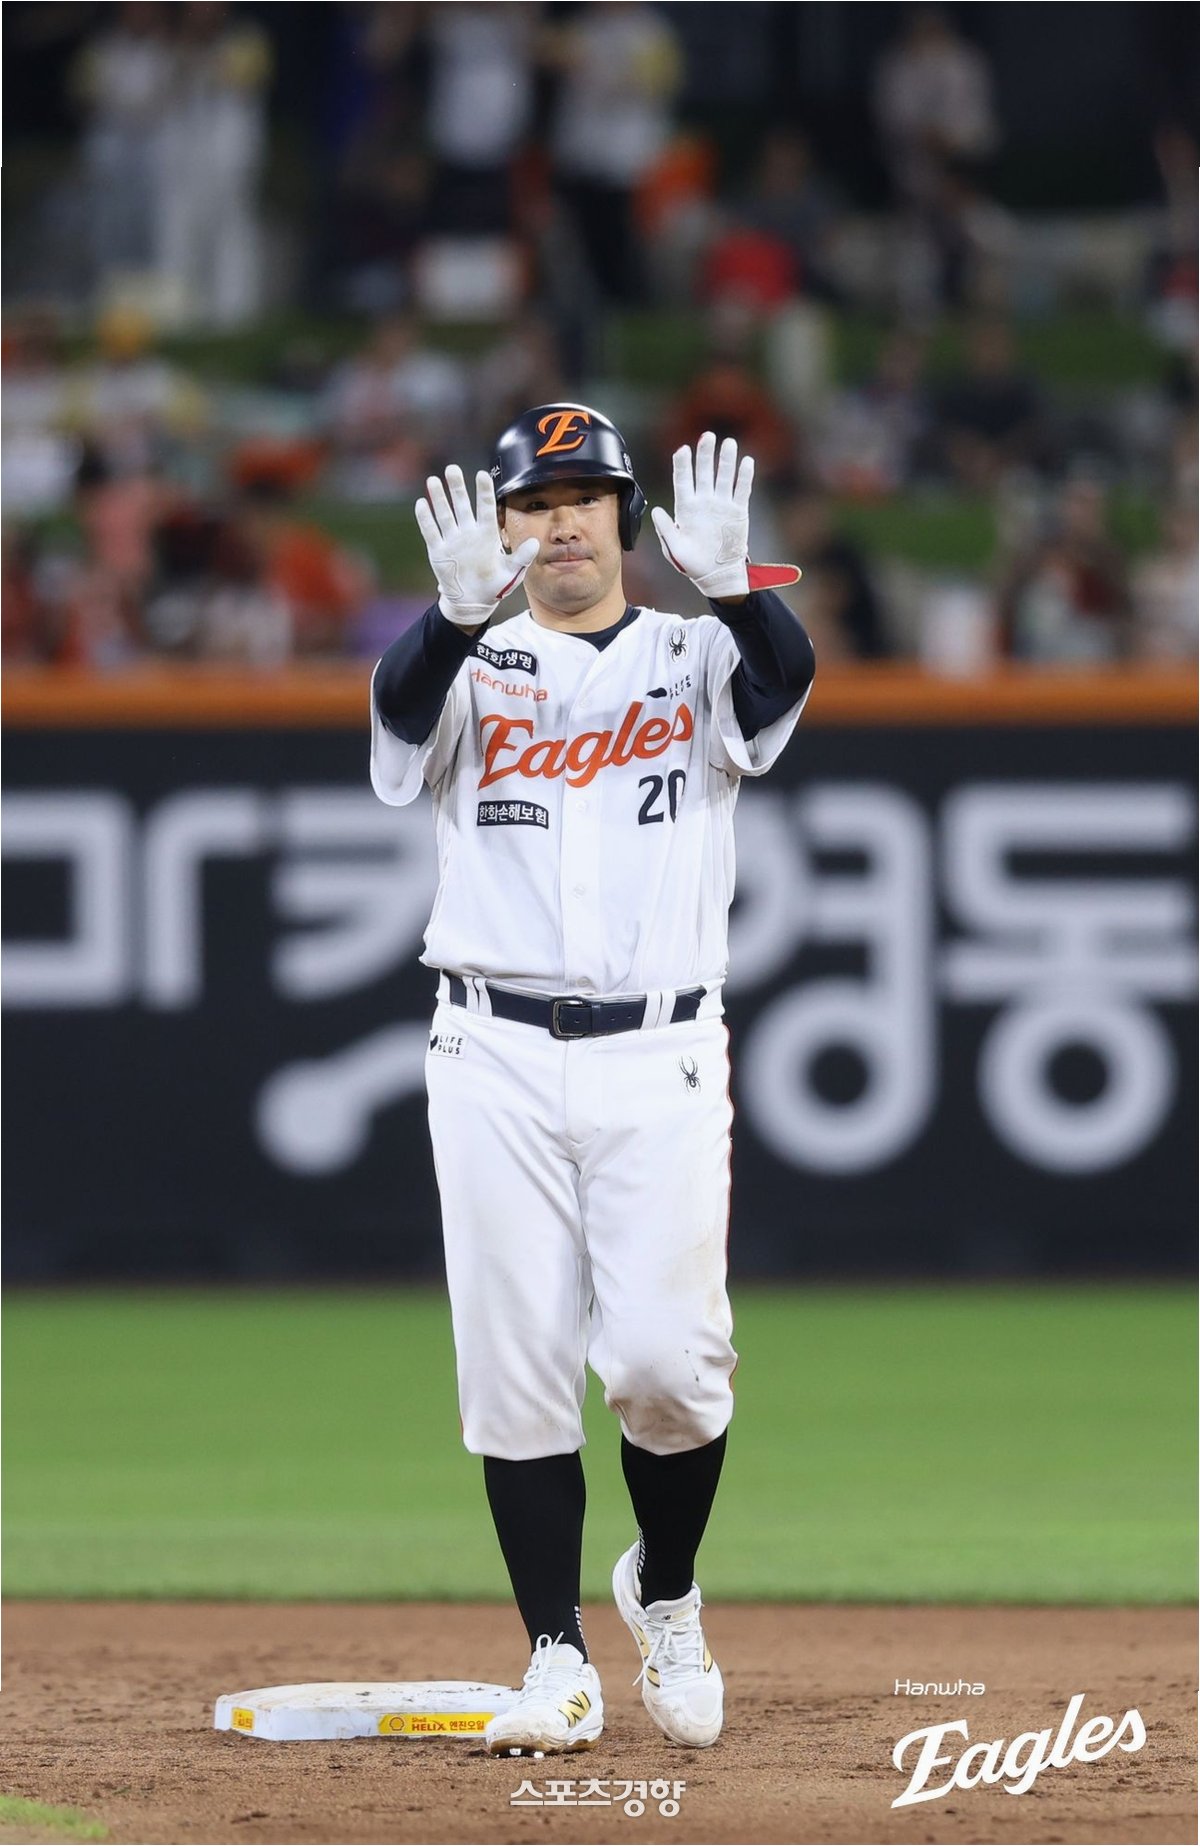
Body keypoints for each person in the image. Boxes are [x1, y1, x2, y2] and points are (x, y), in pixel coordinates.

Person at [368, 405, 814, 1756]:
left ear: (624, 518)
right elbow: (396, 726)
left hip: (659, 1050)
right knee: (515, 1369)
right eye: (534, 500)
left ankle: (663, 1590)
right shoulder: (468, 662)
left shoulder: (693, 653)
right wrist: (450, 620)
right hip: (490, 1050)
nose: (560, 520)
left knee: (673, 1369)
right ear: (501, 528)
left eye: (584, 496)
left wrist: (738, 589)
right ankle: (553, 1653)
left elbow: (780, 688)